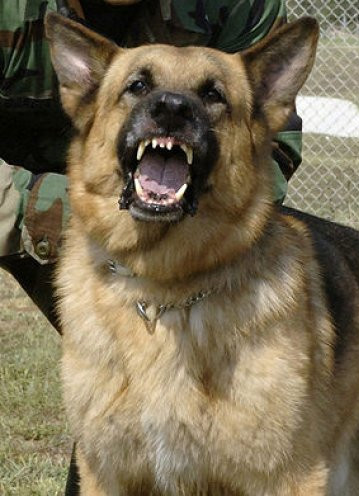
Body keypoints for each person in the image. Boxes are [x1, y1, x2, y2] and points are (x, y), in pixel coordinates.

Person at [0, 1, 302, 493]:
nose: (171, 105)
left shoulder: (239, 4)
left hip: (170, 218)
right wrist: (86, 217)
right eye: (143, 89)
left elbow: (271, 152)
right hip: (46, 205)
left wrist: (181, 238)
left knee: (125, 398)